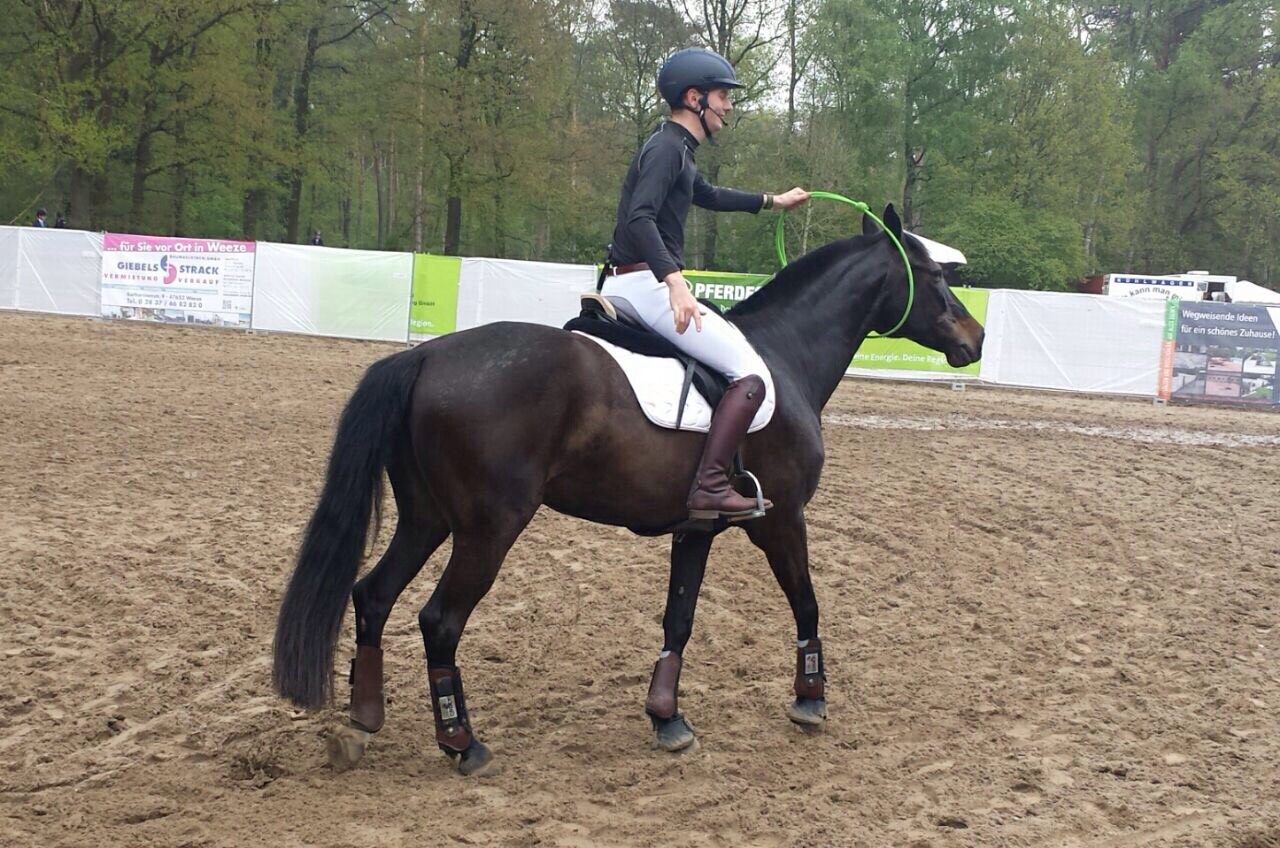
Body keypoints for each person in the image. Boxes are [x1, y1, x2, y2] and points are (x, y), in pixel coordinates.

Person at [603, 47, 809, 521]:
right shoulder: (666, 149)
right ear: (694, 98)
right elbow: (640, 218)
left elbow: (709, 196)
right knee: (751, 376)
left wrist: (773, 201)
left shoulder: (677, 149)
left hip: (637, 281)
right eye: (722, 96)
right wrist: (674, 281)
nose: (728, 107)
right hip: (646, 285)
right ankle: (711, 484)